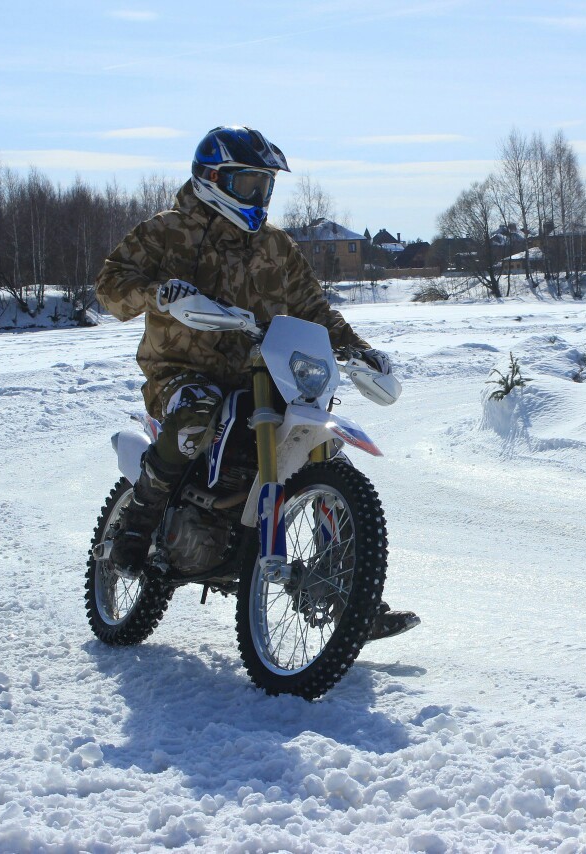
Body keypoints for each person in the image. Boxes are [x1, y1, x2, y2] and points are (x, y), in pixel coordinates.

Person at [95, 125, 417, 641]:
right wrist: (160, 294)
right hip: (181, 371)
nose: (258, 196)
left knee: (326, 452)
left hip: (266, 373)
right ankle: (136, 527)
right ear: (211, 178)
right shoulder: (167, 231)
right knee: (196, 410)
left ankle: (352, 595)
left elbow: (313, 310)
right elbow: (109, 287)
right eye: (248, 184)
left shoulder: (275, 246)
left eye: (264, 186)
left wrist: (358, 350)